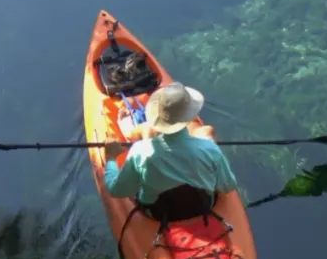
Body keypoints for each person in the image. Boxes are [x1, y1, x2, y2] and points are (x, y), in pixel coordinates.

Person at [102, 82, 238, 207]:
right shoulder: (210, 150)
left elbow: (116, 190)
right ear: (190, 117)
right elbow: (228, 185)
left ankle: (128, 129)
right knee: (207, 132)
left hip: (157, 211)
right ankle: (132, 129)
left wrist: (111, 158)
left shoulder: (139, 152)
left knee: (146, 131)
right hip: (202, 206)